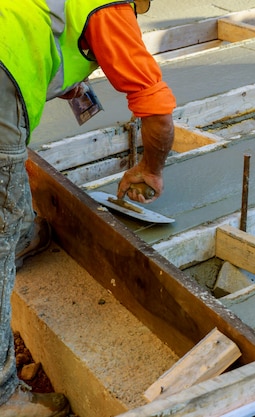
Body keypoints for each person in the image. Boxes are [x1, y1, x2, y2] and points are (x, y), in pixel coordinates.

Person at [0, 0, 176, 415]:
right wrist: (151, 169)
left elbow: (36, 28)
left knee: (8, 191)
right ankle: (4, 398)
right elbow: (157, 109)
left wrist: (64, 79)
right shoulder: (110, 8)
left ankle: (23, 233)